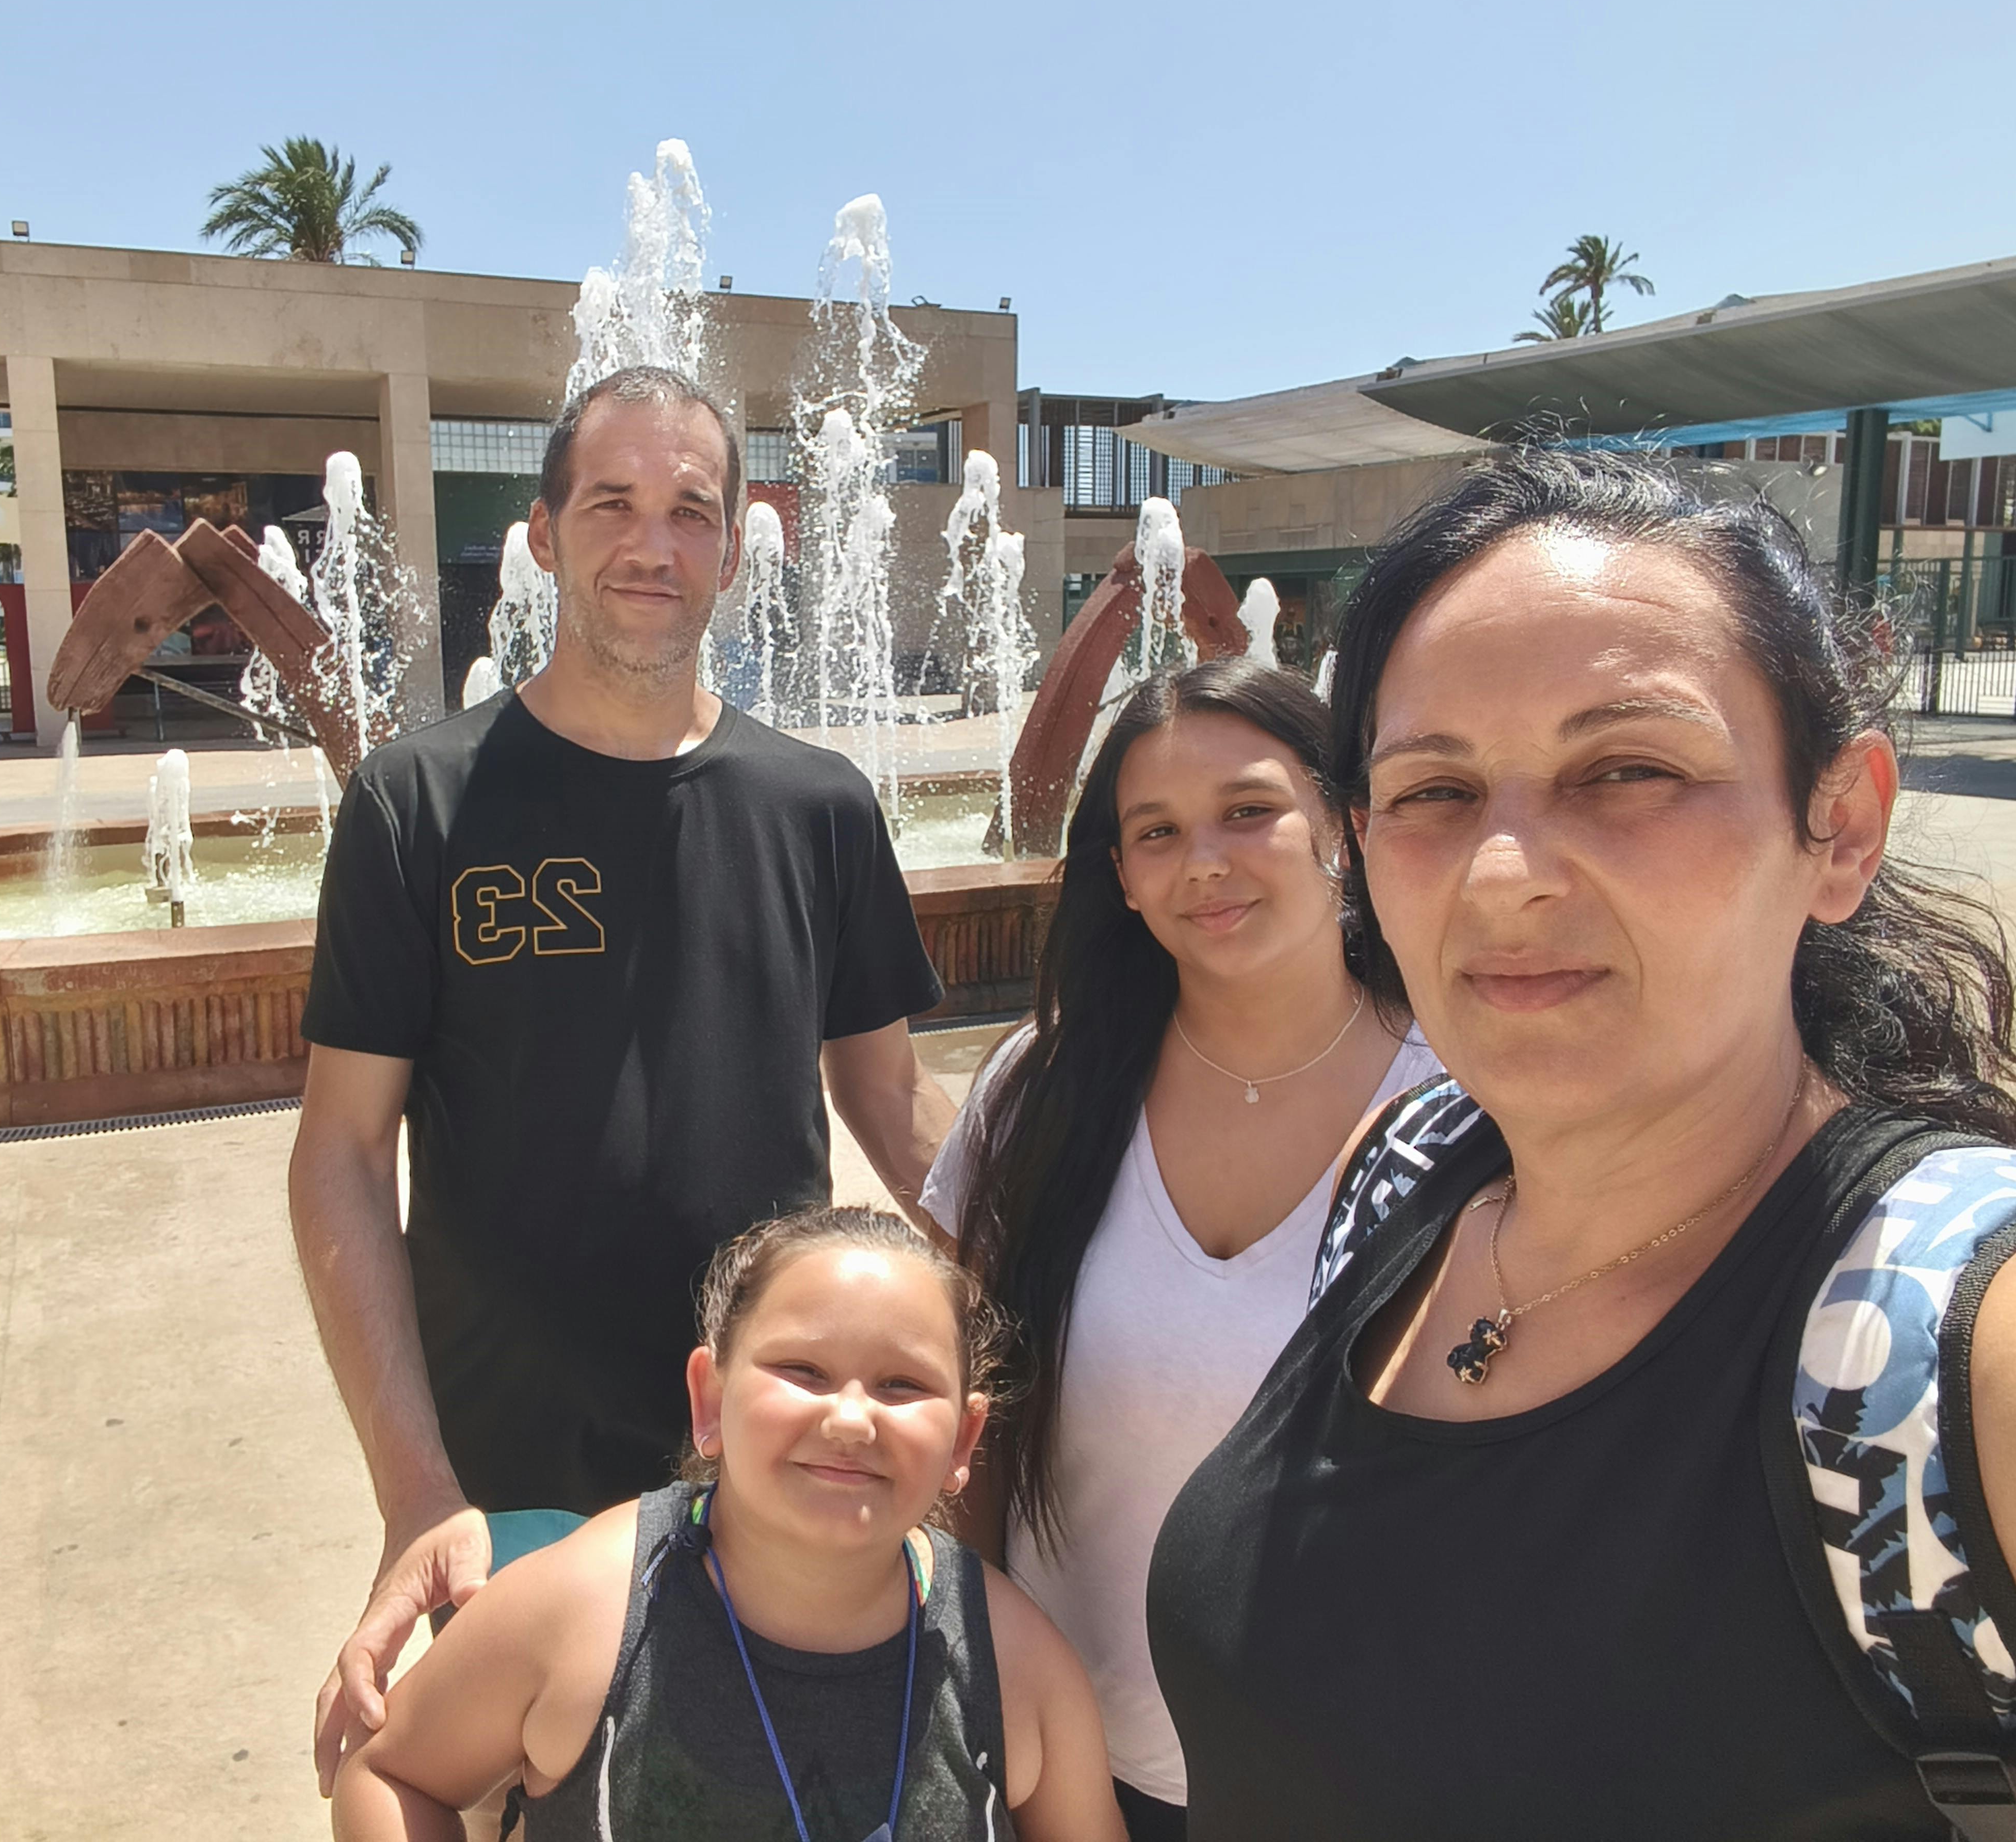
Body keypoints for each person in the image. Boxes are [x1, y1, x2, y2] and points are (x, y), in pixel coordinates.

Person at [1149, 454, 2016, 1839]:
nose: (1505, 873)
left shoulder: (2003, 1353)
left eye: (1628, 770)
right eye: (1434, 791)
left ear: (1840, 825)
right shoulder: (1410, 1169)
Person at [293, 365, 960, 1796]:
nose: (653, 545)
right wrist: (417, 1495)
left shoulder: (818, 807)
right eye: (611, 504)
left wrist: (1058, 1268)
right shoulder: (419, 801)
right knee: (501, 1797)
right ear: (542, 535)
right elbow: (340, 1152)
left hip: (766, 1457)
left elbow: (898, 1112)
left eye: (691, 511)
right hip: (507, 1472)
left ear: (734, 548)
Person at [921, 659, 1439, 1841]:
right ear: (1121, 876)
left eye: (1249, 810)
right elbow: (972, 1402)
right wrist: (981, 1679)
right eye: (1156, 831)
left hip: (1369, 1775)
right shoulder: (1043, 1087)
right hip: (1074, 1770)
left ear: (1342, 825)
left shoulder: (1472, 1102)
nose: (1204, 860)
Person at [330, 1206, 1128, 1840]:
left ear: (963, 1439)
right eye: (803, 1371)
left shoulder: (1016, 1670)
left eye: (902, 1385)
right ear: (709, 1399)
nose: (851, 1419)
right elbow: (389, 1773)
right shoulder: (583, 1610)